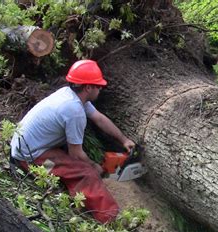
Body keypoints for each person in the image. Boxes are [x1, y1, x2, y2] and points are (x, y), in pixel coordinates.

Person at [10, 59, 134, 223]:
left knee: (73, 163)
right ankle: (111, 220)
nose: (100, 89)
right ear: (88, 87)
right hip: (30, 157)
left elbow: (99, 119)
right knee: (85, 173)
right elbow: (76, 154)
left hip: (29, 147)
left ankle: (63, 186)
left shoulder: (71, 95)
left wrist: (124, 140)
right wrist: (94, 166)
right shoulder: (73, 110)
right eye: (98, 86)